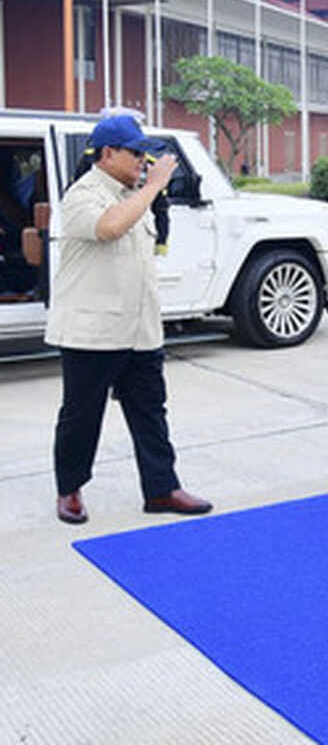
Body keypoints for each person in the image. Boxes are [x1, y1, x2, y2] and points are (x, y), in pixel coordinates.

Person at [47, 115, 213, 524]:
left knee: (150, 411)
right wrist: (154, 185)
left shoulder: (135, 195)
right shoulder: (84, 194)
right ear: (107, 153)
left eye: (146, 153)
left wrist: (151, 191)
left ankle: (161, 489)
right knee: (82, 415)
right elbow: (108, 228)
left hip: (139, 328)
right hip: (93, 330)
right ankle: (69, 489)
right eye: (135, 152)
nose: (144, 160)